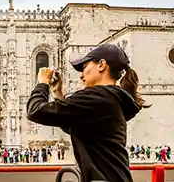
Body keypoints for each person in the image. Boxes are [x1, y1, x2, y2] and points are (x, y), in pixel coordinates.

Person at [27, 44, 150, 182]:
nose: (81, 75)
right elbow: (73, 127)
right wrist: (57, 93)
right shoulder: (110, 98)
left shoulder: (97, 96)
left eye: (85, 67)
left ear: (102, 65)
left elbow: (35, 111)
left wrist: (42, 83)